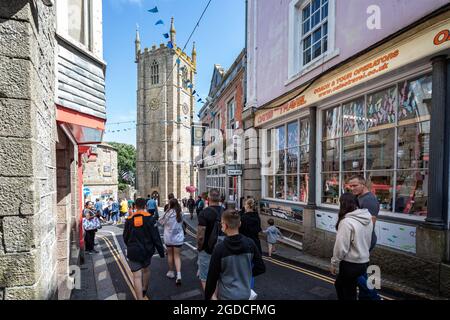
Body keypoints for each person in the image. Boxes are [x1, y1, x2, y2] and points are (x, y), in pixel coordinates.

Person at [205, 209, 266, 300]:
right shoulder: (250, 243)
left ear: (225, 225)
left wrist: (207, 296)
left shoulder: (219, 248)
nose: (221, 225)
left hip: (226, 295)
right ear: (240, 224)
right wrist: (246, 274)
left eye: (221, 223)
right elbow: (261, 268)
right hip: (245, 294)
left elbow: (212, 278)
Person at [330, 193, 373, 301]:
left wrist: (334, 263)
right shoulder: (368, 218)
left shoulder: (346, 222)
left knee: (347, 292)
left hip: (351, 264)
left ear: (343, 204)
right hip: (364, 262)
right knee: (343, 286)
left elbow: (341, 247)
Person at [123, 198, 165, 300]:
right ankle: (144, 288)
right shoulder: (150, 219)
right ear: (145, 206)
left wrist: (130, 245)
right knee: (146, 270)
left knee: (136, 276)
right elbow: (156, 237)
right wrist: (161, 252)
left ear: (135, 207)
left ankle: (139, 298)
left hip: (133, 251)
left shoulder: (129, 220)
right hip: (147, 250)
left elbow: (125, 237)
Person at [348, 175, 381, 300]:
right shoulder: (358, 197)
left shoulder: (369, 200)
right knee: (362, 270)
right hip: (359, 240)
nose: (352, 188)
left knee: (355, 272)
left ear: (363, 184)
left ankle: (374, 296)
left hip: (365, 241)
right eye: (350, 186)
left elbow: (369, 226)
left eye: (355, 185)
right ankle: (365, 297)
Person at [196, 189, 224, 295]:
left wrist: (199, 247)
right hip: (224, 249)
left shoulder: (204, 213)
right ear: (220, 199)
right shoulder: (225, 211)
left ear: (208, 199)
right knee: (220, 275)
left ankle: (213, 298)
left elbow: (200, 235)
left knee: (205, 277)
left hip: (207, 250)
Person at [159, 198, 185, 285]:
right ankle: (179, 275)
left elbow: (160, 222)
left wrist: (167, 211)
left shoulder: (167, 214)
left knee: (170, 255)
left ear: (170, 205)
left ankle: (171, 272)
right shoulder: (180, 213)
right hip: (178, 238)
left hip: (169, 238)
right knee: (177, 256)